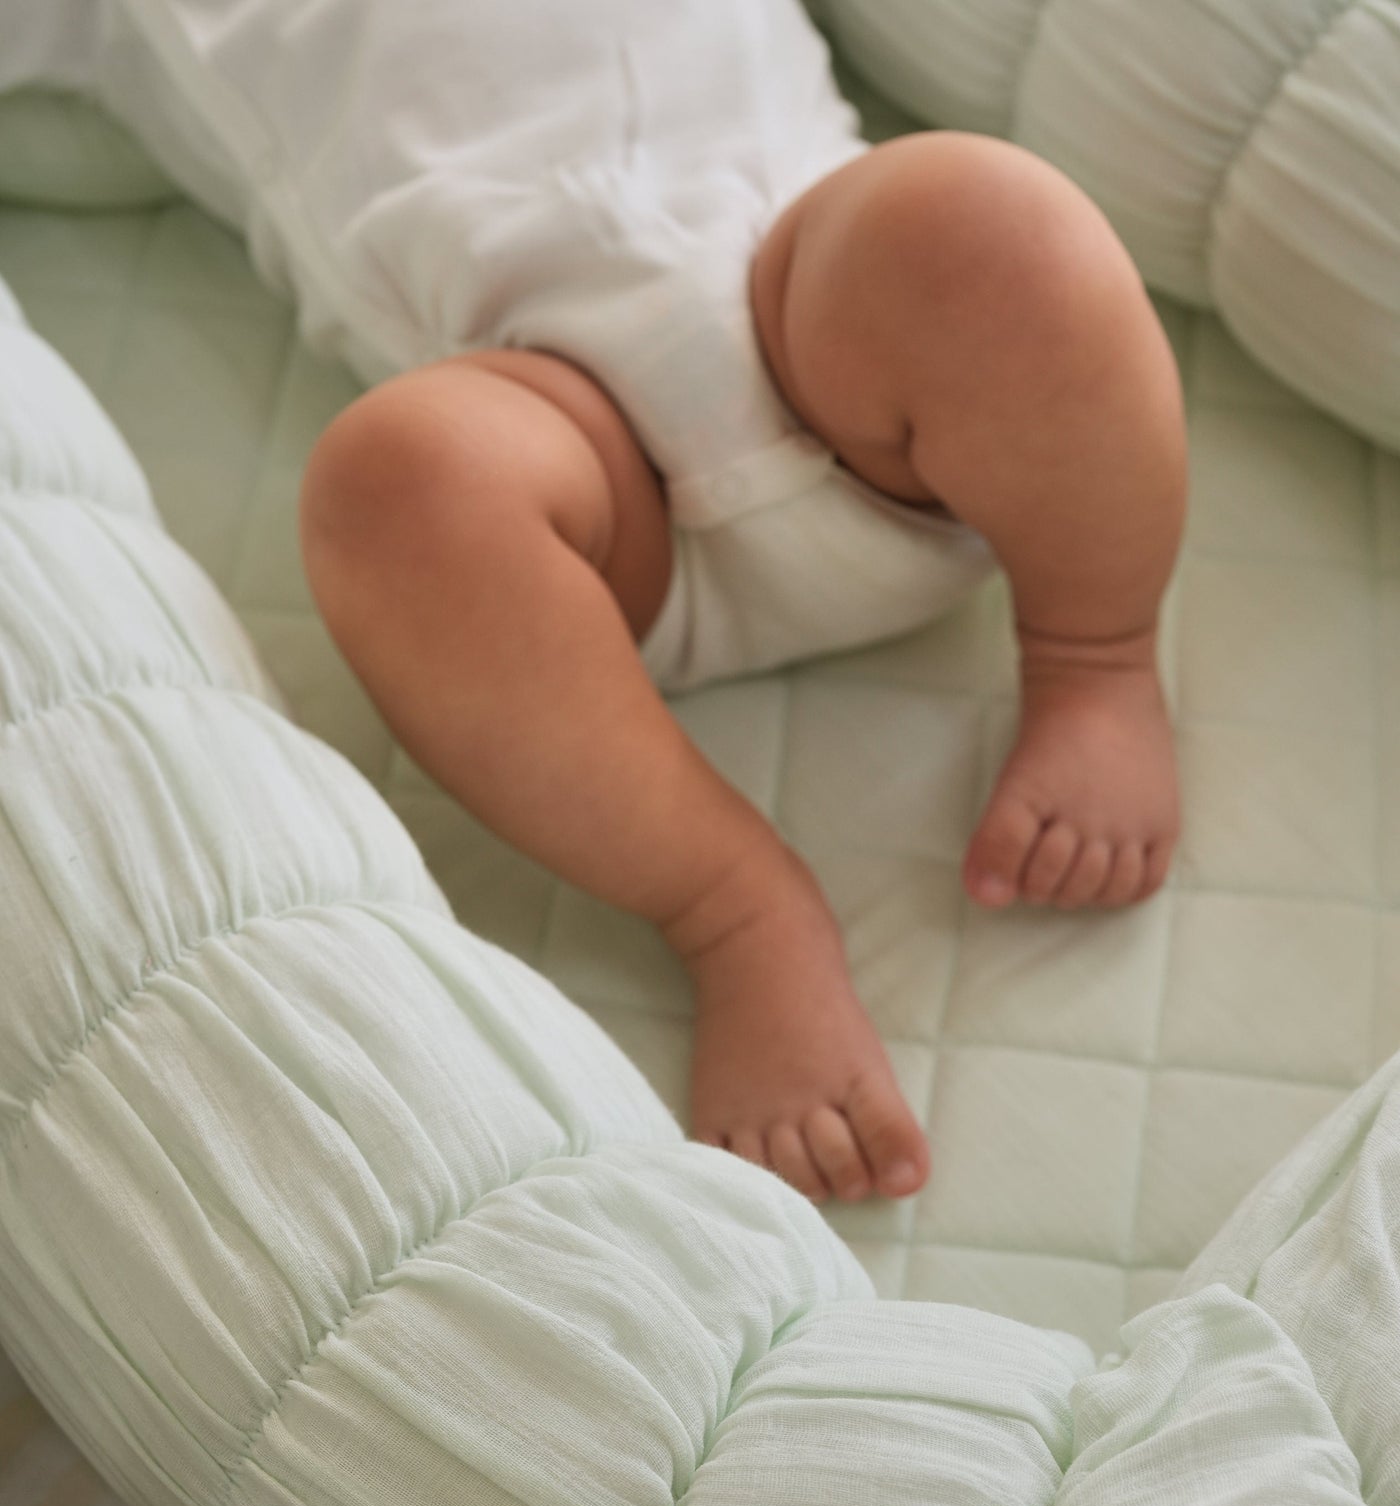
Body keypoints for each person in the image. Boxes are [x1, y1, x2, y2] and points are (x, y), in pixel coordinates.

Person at [43, 0, 1188, 1206]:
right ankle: (736, 908)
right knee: (392, 484)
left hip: (827, 318)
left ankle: (1094, 656)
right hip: (570, 463)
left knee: (988, 221)